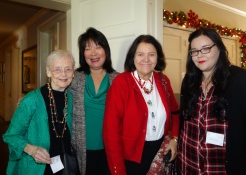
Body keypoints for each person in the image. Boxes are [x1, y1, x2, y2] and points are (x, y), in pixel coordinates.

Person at [103, 34, 180, 175]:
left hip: (159, 153)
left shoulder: (163, 81)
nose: (146, 59)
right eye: (140, 54)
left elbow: (175, 113)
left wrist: (174, 139)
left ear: (158, 58)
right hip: (130, 158)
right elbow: (111, 132)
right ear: (133, 57)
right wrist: (117, 170)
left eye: (151, 54)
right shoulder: (122, 82)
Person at [177, 28, 246, 174]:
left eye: (206, 49)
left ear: (219, 48)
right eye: (194, 51)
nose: (199, 55)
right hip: (187, 163)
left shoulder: (241, 80)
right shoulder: (189, 80)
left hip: (220, 168)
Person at [3, 50, 76, 175]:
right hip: (36, 168)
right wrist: (31, 150)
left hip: (63, 164)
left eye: (68, 69)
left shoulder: (70, 97)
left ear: (73, 73)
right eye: (57, 69)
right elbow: (10, 136)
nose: (63, 74)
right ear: (48, 72)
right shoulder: (31, 100)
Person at [69, 27, 119, 175]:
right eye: (87, 48)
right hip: (80, 147)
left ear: (106, 50)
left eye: (98, 47)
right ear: (83, 54)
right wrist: (30, 99)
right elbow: (53, 89)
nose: (93, 53)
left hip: (110, 147)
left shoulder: (118, 79)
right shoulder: (74, 77)